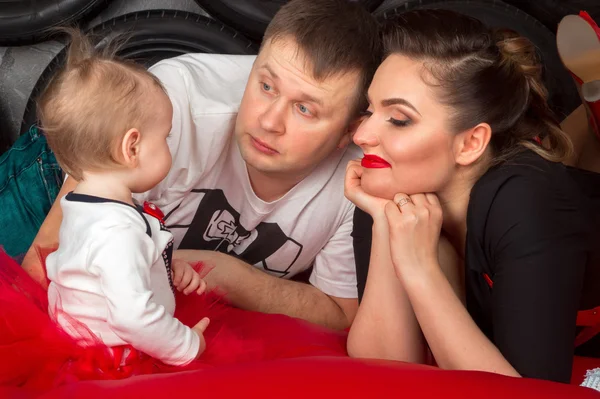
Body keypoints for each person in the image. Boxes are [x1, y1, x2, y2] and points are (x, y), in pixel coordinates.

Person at [19, 0, 381, 330]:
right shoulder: (176, 107)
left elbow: (339, 314)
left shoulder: (360, 177)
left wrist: (221, 273)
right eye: (266, 86)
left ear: (348, 131)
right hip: (57, 178)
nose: (269, 122)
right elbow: (48, 259)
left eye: (305, 109)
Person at [345, 9, 600, 384]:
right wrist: (385, 225)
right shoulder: (390, 191)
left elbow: (526, 393)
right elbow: (385, 367)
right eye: (368, 110)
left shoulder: (526, 204)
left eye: (398, 119)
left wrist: (421, 269)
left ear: (470, 143)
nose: (361, 135)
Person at [37, 28, 211, 367]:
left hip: (88, 337)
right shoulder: (117, 231)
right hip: (118, 358)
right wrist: (188, 346)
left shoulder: (83, 204)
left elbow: (100, 269)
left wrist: (165, 265)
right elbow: (132, 316)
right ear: (131, 148)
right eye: (165, 137)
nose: (169, 146)